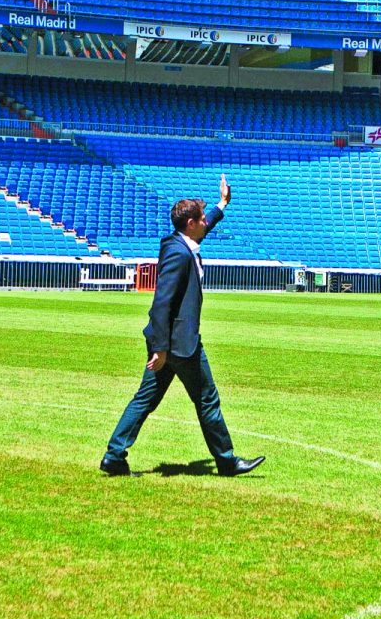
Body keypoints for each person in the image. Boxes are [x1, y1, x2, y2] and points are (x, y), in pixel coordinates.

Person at [100, 175, 265, 478]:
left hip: (171, 343)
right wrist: (161, 349)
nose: (205, 222)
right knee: (207, 399)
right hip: (179, 344)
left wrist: (222, 203)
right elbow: (162, 303)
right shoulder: (178, 253)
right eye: (202, 218)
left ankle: (114, 455)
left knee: (145, 400)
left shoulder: (183, 241)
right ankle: (227, 461)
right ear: (190, 223)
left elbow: (206, 225)